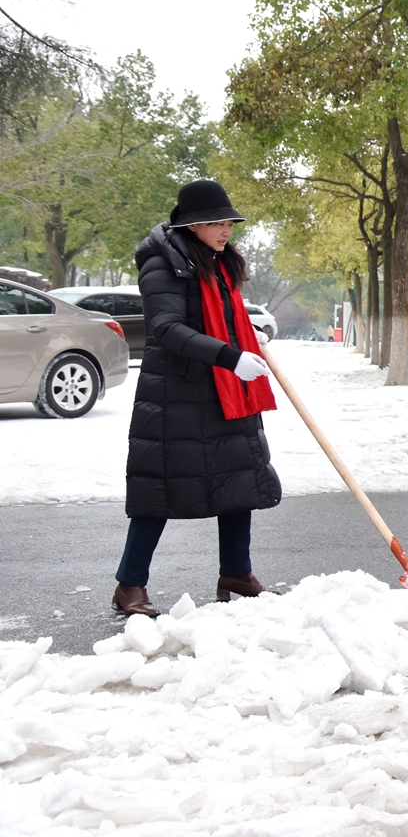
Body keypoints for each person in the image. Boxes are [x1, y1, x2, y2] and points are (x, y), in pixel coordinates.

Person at [114, 180, 283, 616]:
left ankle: (236, 573)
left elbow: (219, 314)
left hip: (225, 392)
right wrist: (229, 355)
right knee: (161, 488)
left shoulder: (215, 262)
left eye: (229, 222)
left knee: (238, 482)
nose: (226, 230)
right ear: (192, 225)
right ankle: (130, 584)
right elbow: (167, 329)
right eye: (217, 222)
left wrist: (248, 331)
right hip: (177, 395)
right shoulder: (161, 264)